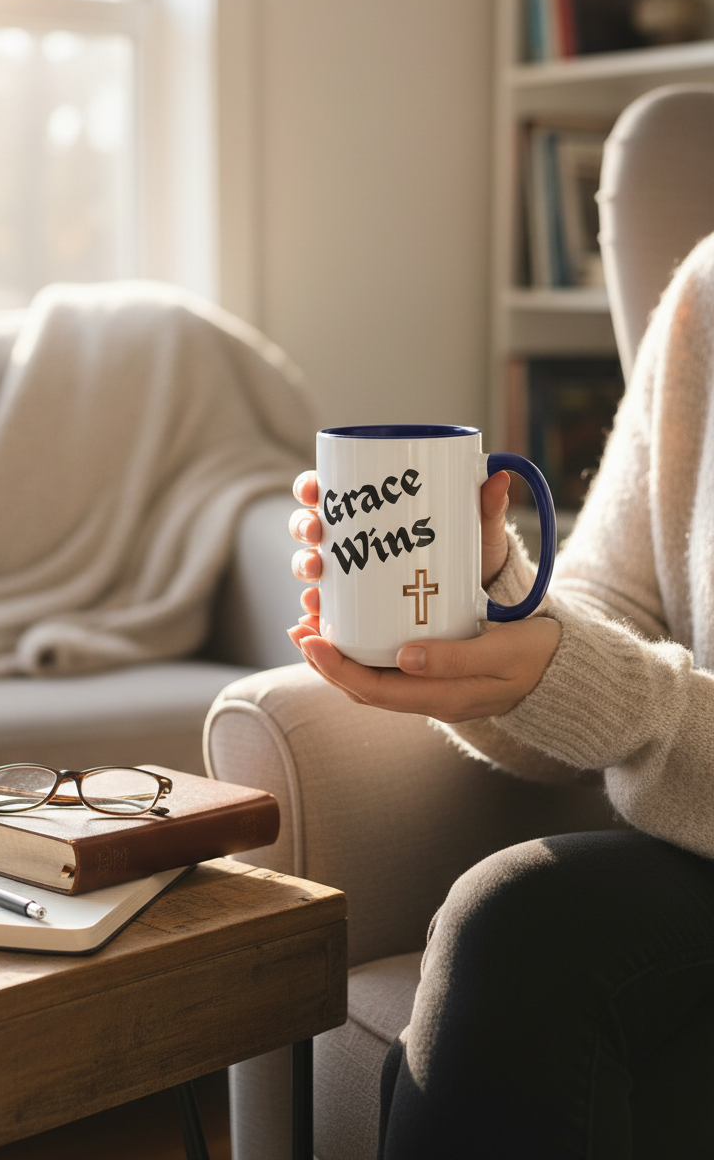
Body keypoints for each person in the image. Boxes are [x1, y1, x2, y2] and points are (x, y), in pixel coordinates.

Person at [287, 233, 714, 1158]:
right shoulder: (707, 295)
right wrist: (488, 601)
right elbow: (614, 610)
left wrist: (642, 707)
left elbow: (635, 692)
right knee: (518, 930)